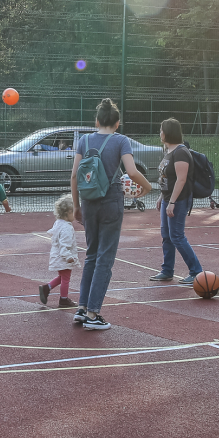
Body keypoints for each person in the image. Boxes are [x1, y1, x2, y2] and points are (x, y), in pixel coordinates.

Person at [70, 98, 150, 331]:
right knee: (105, 257)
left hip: (88, 202)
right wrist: (148, 187)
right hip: (111, 200)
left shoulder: (84, 140)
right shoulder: (121, 141)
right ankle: (94, 314)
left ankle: (82, 309)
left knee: (91, 256)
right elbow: (132, 171)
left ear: (97, 121)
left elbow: (74, 176)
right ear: (117, 124)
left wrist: (76, 206)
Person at [148, 118, 204, 285]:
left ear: (168, 132)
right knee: (166, 236)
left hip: (178, 200)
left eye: (161, 130)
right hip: (168, 198)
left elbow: (181, 180)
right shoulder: (169, 151)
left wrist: (172, 201)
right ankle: (167, 270)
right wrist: (161, 197)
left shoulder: (181, 152)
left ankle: (196, 272)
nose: (160, 133)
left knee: (177, 236)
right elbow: (166, 178)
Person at [39, 194, 80, 308]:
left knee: (62, 277)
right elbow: (64, 245)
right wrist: (68, 256)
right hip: (63, 257)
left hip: (57, 255)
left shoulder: (59, 223)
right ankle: (63, 299)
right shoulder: (66, 227)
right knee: (66, 278)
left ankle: (47, 288)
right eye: (74, 212)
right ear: (68, 212)